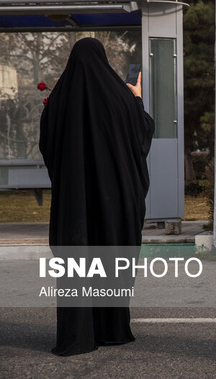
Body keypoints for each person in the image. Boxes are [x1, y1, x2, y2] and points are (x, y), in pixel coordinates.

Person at [39, 37, 154, 356]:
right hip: (114, 201)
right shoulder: (121, 98)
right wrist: (136, 99)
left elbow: (48, 147)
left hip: (75, 203)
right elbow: (142, 135)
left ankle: (77, 336)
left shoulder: (59, 100)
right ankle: (112, 328)